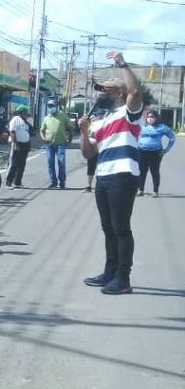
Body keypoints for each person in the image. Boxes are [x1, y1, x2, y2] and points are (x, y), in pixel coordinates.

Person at [79, 51, 143, 295]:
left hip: (123, 175)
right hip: (104, 177)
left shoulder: (130, 113)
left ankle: (123, 278)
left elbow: (135, 92)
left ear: (118, 92)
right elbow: (88, 154)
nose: (99, 94)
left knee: (121, 228)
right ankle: (110, 272)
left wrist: (122, 63)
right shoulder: (101, 120)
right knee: (108, 228)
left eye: (104, 89)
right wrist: (84, 131)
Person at [137, 110, 175, 197]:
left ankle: (155, 191)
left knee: (154, 171)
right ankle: (140, 189)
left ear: (156, 118)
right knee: (142, 171)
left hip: (155, 153)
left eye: (152, 117)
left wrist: (166, 150)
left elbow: (172, 137)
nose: (150, 119)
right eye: (148, 117)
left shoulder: (162, 127)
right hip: (142, 151)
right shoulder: (143, 126)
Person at [40, 98, 71, 189]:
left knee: (61, 163)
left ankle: (62, 182)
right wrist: (43, 138)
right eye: (49, 106)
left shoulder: (63, 116)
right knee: (50, 163)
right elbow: (41, 130)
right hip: (49, 145)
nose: (50, 108)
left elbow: (70, 128)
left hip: (60, 144)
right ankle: (53, 182)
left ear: (56, 107)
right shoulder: (46, 118)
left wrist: (70, 139)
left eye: (52, 106)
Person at [6, 105, 31, 189]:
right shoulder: (15, 119)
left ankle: (17, 182)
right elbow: (12, 132)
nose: (26, 114)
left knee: (22, 164)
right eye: (25, 112)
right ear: (21, 112)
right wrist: (16, 144)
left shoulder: (24, 121)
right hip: (17, 144)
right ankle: (8, 183)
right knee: (14, 163)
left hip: (24, 145)